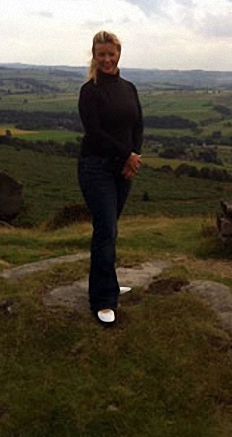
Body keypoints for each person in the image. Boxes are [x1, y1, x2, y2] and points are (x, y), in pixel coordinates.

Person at [78, 31, 143, 326]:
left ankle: (109, 286)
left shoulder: (128, 88)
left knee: (110, 230)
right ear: (94, 55)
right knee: (106, 231)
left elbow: (138, 126)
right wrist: (126, 156)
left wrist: (134, 159)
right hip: (96, 168)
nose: (106, 59)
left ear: (119, 54)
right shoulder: (90, 90)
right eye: (101, 54)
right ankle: (102, 300)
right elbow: (95, 133)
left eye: (111, 53)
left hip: (122, 169)